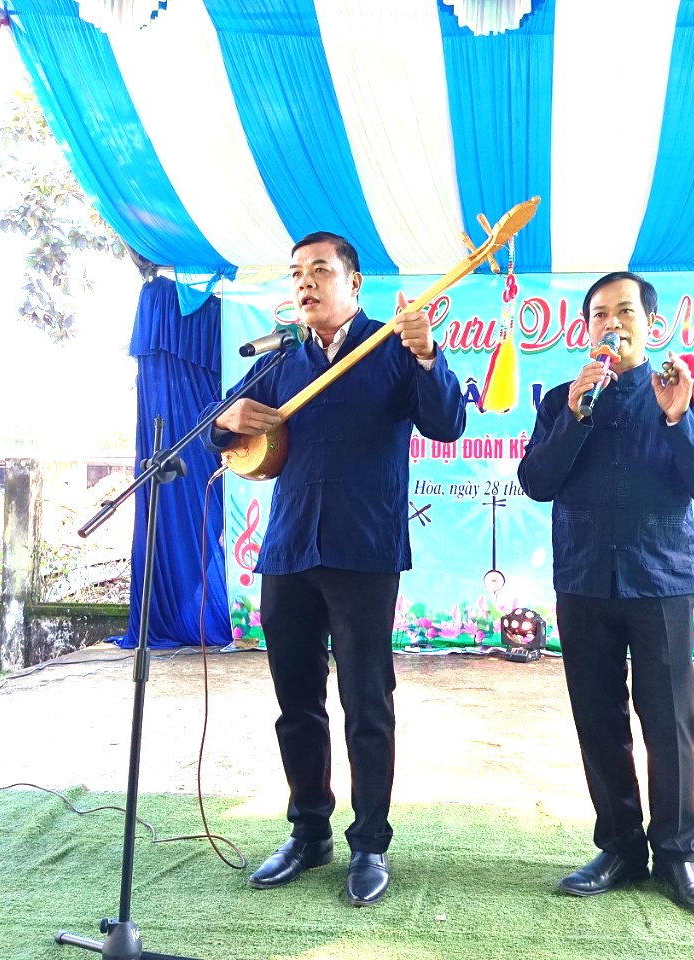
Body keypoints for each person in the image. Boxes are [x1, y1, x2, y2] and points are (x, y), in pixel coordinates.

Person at [206, 231, 466, 907]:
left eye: (320, 270)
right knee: (296, 701)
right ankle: (308, 832)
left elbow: (447, 423)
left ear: (354, 283)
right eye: (297, 272)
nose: (305, 282)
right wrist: (227, 418)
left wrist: (427, 355)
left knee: (367, 703)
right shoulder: (282, 356)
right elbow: (220, 429)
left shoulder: (392, 345)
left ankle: (370, 843)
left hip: (364, 551)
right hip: (289, 550)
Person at [516, 271, 694, 916]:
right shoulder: (562, 400)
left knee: (668, 723)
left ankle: (676, 856)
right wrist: (574, 416)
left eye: (624, 312)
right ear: (585, 329)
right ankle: (618, 847)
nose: (611, 324)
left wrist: (677, 420)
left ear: (652, 325)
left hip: (659, 582)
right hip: (583, 581)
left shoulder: (685, 396)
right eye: (599, 315)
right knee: (599, 721)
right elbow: (536, 481)